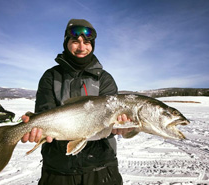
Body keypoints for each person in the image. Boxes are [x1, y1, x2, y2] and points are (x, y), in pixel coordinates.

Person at [21, 19, 134, 185]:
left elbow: (111, 121)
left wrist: (122, 127)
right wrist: (35, 128)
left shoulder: (104, 79)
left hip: (101, 166)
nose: (82, 47)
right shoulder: (50, 77)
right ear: (66, 43)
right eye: (75, 41)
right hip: (58, 168)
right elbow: (45, 111)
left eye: (87, 42)